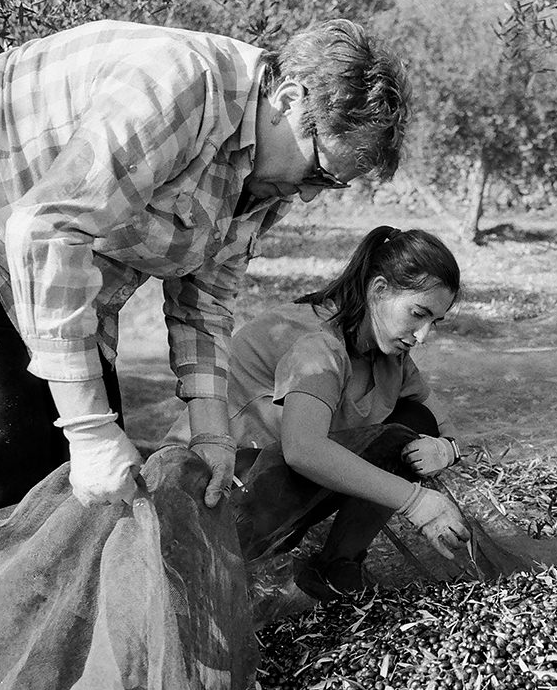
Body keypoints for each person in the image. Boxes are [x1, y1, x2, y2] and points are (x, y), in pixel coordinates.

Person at [0, 19, 409, 525]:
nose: (308, 195)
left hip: (45, 258)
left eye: (331, 186)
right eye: (319, 173)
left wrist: (212, 434)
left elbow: (205, 304)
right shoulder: (180, 86)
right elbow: (48, 231)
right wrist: (87, 430)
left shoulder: (267, 174)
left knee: (101, 484)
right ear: (288, 100)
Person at [167, 225, 470, 598]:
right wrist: (416, 502)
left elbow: (443, 426)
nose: (423, 335)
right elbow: (302, 450)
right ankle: (227, 565)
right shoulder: (318, 344)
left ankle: (336, 567)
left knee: (414, 424)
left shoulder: (390, 354)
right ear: (378, 290)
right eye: (417, 314)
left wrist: (447, 449)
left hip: (275, 483)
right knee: (386, 439)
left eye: (434, 322)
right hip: (214, 488)